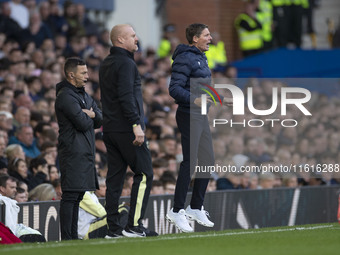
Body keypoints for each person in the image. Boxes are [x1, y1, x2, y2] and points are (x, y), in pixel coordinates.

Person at [166, 23, 232, 233]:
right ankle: (176, 210)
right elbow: (174, 88)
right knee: (191, 162)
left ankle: (195, 207)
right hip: (188, 114)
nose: (210, 38)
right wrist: (194, 100)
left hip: (199, 114)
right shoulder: (185, 57)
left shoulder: (200, 57)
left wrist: (220, 98)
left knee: (207, 161)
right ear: (194, 38)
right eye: (206, 35)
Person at [99, 24, 156, 238]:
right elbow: (125, 96)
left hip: (111, 129)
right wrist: (136, 124)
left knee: (115, 178)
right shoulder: (126, 63)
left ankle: (113, 229)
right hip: (127, 129)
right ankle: (134, 225)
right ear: (120, 40)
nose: (137, 39)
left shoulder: (106, 63)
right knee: (144, 173)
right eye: (132, 36)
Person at [55, 57, 102, 240]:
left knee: (78, 195)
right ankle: (68, 237)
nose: (87, 76)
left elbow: (99, 119)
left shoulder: (84, 95)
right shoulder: (65, 96)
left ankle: (72, 237)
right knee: (70, 196)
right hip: (72, 152)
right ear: (70, 74)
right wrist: (91, 115)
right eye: (83, 72)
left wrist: (90, 113)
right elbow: (83, 123)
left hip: (84, 152)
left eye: (87, 72)